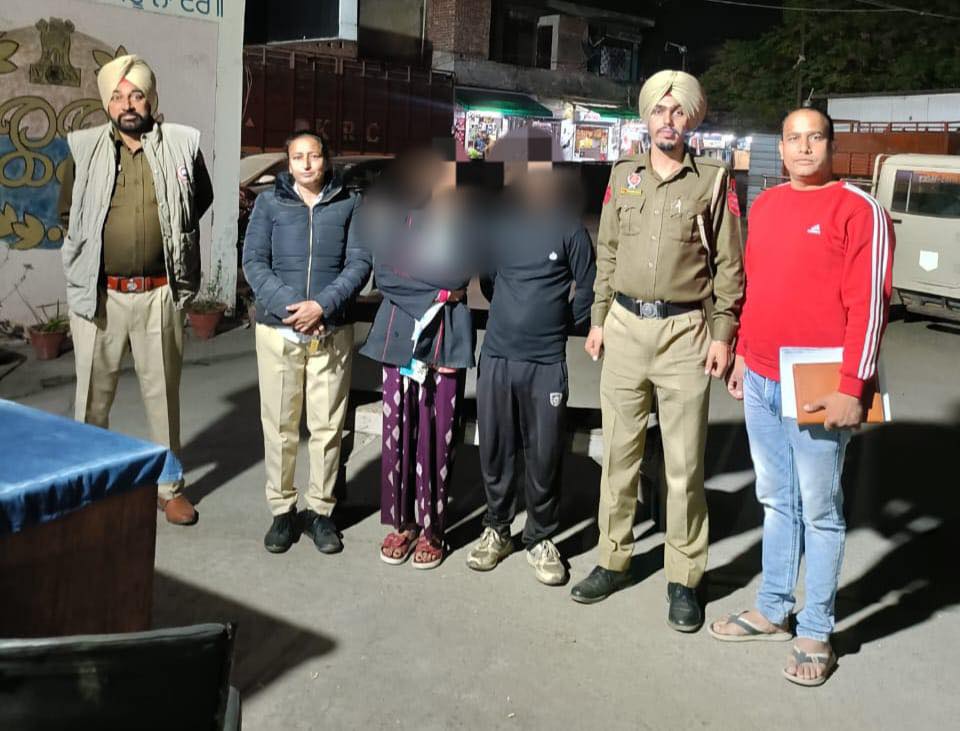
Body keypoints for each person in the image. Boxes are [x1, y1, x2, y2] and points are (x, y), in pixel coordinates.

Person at [708, 108, 894, 687]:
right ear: (782, 147)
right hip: (761, 378)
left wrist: (852, 386)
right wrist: (742, 354)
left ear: (832, 146)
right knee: (775, 499)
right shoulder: (766, 206)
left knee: (820, 510)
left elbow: (870, 304)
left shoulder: (858, 210)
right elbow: (756, 287)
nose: (804, 147)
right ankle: (773, 608)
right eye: (794, 138)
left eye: (816, 138)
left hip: (818, 382)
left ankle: (816, 628)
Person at [570, 70, 745, 634]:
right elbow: (608, 251)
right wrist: (599, 319)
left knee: (684, 465)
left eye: (677, 111)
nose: (667, 120)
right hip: (624, 328)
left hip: (684, 334)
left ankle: (685, 577)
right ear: (646, 118)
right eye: (658, 111)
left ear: (691, 119)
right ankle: (612, 559)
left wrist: (723, 334)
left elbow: (729, 267)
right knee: (617, 457)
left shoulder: (712, 181)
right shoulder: (623, 176)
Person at [59, 54, 212, 526]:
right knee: (92, 400)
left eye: (137, 95)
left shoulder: (182, 145)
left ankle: (169, 489)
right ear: (107, 104)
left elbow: (199, 199)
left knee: (163, 398)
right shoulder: (84, 148)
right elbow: (67, 212)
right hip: (100, 295)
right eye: (118, 96)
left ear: (151, 99)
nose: (127, 104)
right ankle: (88, 489)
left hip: (159, 294)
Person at [242, 130, 372, 555]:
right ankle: (282, 511)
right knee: (279, 426)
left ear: (326, 159)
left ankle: (320, 511)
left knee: (327, 427)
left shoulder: (349, 203)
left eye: (313, 155)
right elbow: (254, 262)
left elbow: (359, 262)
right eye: (298, 157)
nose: (306, 164)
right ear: (288, 162)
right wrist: (293, 307)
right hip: (279, 332)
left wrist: (322, 306)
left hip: (330, 332)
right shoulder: (269, 203)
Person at [466, 165, 596, 585]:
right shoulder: (500, 227)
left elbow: (588, 286)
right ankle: (497, 529)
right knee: (496, 449)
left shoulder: (570, 230)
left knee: (544, 453)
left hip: (545, 363)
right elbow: (488, 281)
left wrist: (563, 323)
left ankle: (540, 537)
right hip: (498, 356)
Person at [360, 150, 475, 570]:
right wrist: (440, 292)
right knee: (398, 431)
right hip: (397, 338)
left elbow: (458, 274)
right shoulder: (398, 216)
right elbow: (386, 274)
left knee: (438, 434)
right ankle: (403, 522)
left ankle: (433, 528)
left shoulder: (467, 222)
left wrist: (421, 277)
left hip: (446, 339)